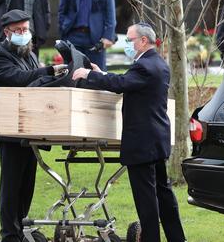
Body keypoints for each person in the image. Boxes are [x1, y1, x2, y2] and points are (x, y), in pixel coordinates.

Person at [72, 23, 186, 242]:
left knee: (147, 201)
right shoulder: (158, 64)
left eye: (130, 39)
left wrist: (89, 75)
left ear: (143, 41)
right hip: (156, 140)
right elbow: (128, 82)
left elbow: (121, 83)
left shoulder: (144, 66)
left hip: (143, 144)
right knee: (163, 194)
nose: (127, 44)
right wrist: (103, 74)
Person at [0, 9, 68, 242]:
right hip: (10, 128)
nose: (24, 34)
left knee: (27, 184)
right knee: (11, 186)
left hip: (30, 126)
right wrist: (49, 71)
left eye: (26, 29)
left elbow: (37, 81)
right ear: (7, 32)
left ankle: (21, 227)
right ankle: (10, 234)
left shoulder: (29, 52)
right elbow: (18, 78)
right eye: (19, 31)